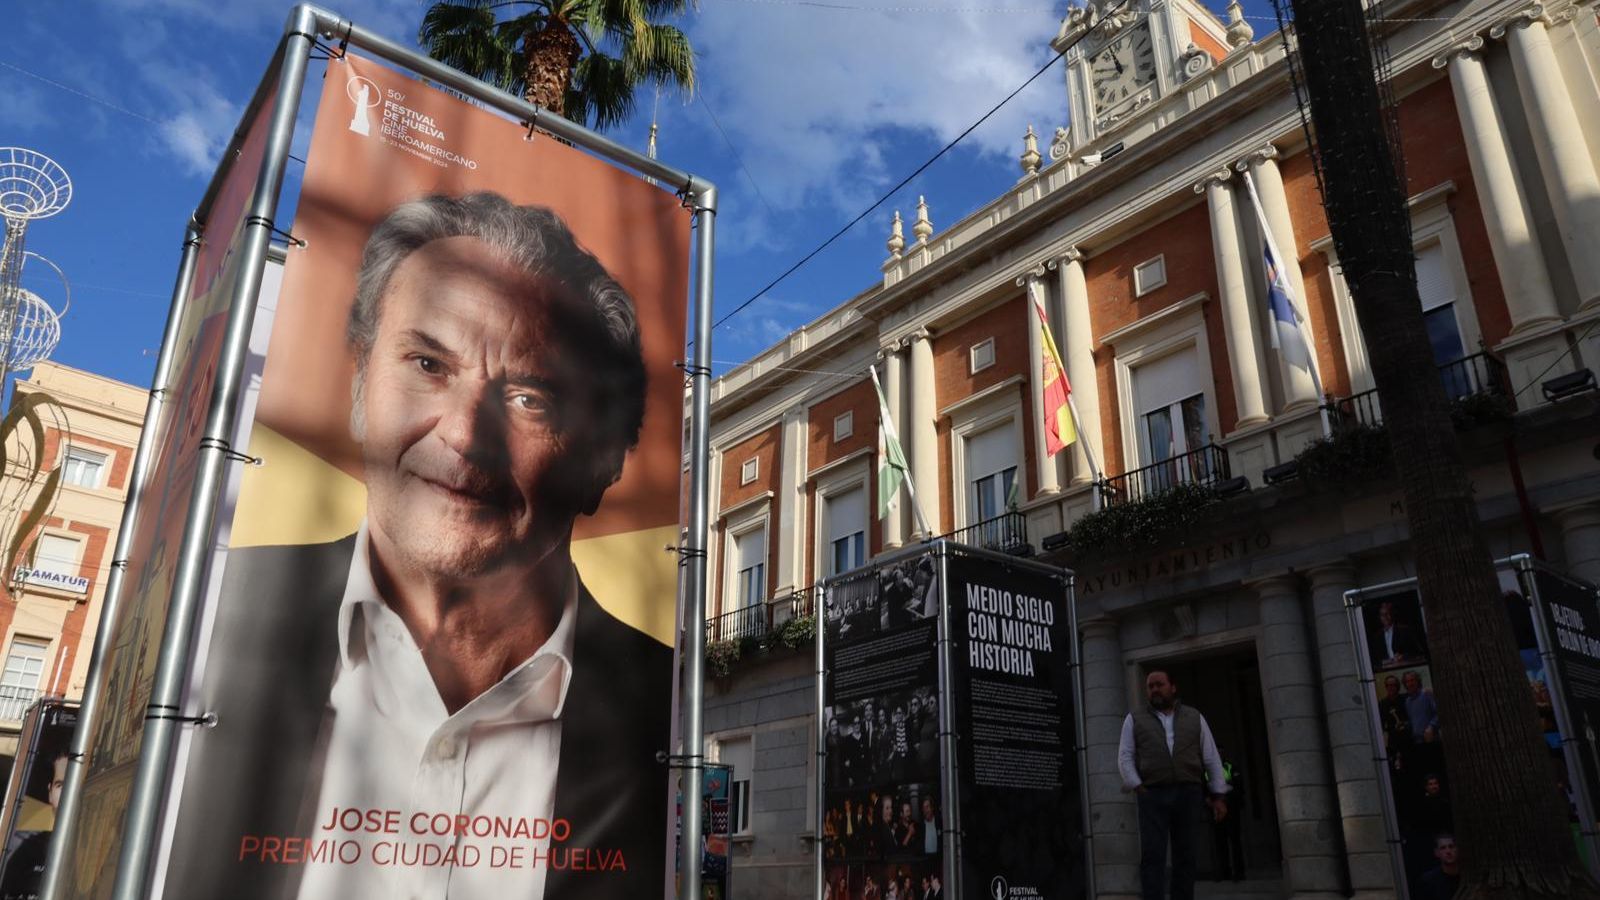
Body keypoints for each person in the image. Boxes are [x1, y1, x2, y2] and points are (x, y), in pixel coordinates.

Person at [165, 193, 671, 900]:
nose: (464, 434)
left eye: (530, 399)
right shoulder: (211, 618)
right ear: (359, 386)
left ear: (604, 460)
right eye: (429, 365)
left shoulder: (662, 708)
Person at [1118, 668, 1229, 900]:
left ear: (1173, 687)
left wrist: (1218, 795)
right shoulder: (1134, 719)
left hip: (1188, 793)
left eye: (1160, 684)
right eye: (1150, 686)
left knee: (1186, 854)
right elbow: (1125, 755)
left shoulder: (1194, 717)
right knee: (1153, 854)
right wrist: (1137, 785)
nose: (1155, 690)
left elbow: (1210, 757)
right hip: (1152, 794)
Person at [1210, 754, 1245, 882]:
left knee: (1235, 842)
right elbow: (1206, 788)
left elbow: (1238, 787)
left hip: (1231, 809)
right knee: (1220, 843)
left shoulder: (1230, 767)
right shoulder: (1208, 771)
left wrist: (1225, 795)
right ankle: (1224, 872)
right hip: (1216, 811)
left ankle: (1239, 872)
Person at [1369, 599, 1425, 668]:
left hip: (1405, 667)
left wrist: (1403, 656)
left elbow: (1418, 652)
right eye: (1382, 615)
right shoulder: (1377, 637)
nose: (1385, 617)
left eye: (1387, 613)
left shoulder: (1405, 631)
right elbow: (1374, 659)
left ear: (1392, 614)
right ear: (1380, 617)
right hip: (1386, 671)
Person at [1413, 833, 1461, 900]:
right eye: (1443, 848)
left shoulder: (1468, 876)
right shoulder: (1428, 881)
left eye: (1451, 846)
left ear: (1457, 849)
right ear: (1437, 853)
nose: (1448, 851)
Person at [1402, 670, 1440, 744]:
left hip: (1431, 738)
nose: (1410, 683)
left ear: (1418, 681)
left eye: (1412, 680)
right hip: (1417, 740)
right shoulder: (1407, 702)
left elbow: (1438, 713)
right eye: (1407, 681)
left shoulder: (1427, 694)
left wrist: (1431, 726)